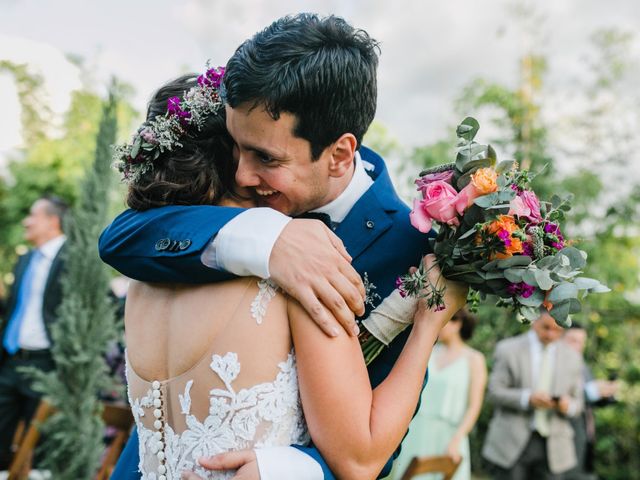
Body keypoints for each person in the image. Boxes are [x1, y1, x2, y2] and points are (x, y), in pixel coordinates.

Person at [100, 14, 441, 480]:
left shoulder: (409, 248)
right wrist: (265, 237)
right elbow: (120, 237)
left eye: (265, 158)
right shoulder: (245, 204)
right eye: (236, 149)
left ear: (339, 154)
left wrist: (292, 467)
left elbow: (378, 440)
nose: (243, 174)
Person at [0, 195, 68, 468]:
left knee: (40, 447)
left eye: (32, 215)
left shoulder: (75, 258)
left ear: (53, 221)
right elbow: (15, 308)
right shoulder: (25, 259)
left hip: (47, 366)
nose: (26, 221)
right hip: (10, 361)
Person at [482, 311, 584, 480]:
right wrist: (527, 398)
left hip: (555, 448)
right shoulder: (508, 349)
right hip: (511, 443)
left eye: (557, 330)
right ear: (534, 321)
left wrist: (567, 405)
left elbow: (578, 403)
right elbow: (494, 392)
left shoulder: (573, 357)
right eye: (546, 327)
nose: (551, 334)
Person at [388, 309, 487, 480]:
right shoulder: (428, 352)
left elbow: (474, 406)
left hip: (450, 436)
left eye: (443, 322)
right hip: (417, 431)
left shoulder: (474, 359)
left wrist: (457, 439)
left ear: (456, 323)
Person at [563, 322, 619, 480]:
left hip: (586, 436)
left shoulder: (583, 366)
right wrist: (590, 392)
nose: (578, 346)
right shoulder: (553, 365)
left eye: (582, 342)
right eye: (573, 340)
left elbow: (588, 399)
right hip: (565, 437)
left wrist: (605, 393)